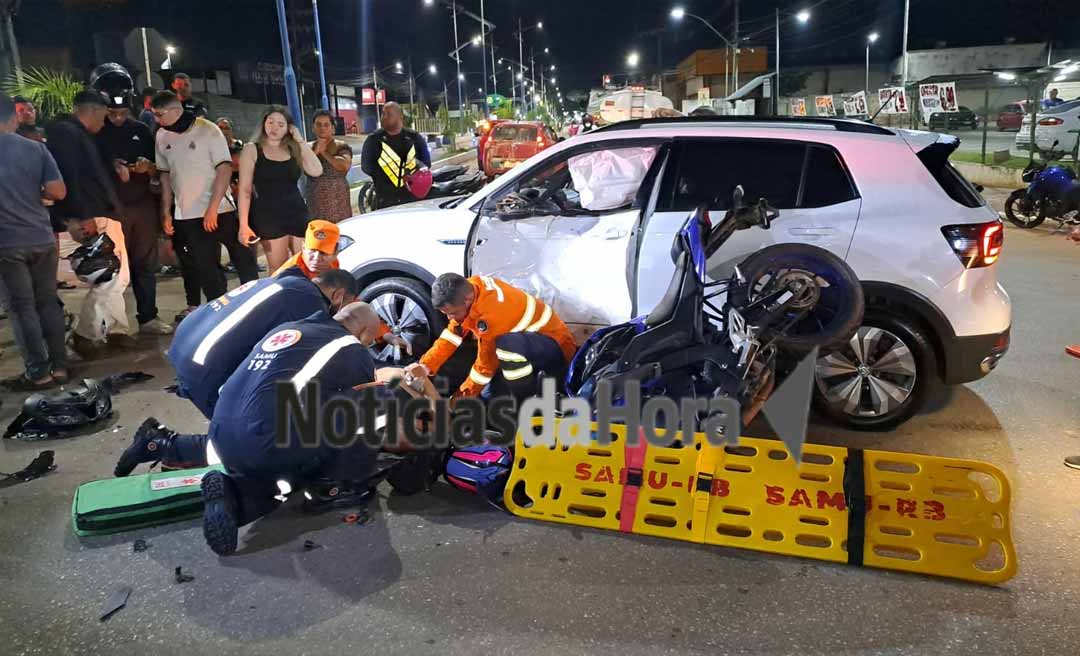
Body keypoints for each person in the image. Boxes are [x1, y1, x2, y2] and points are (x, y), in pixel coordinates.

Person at [113, 268, 362, 478]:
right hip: (205, 367)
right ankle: (163, 445)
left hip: (186, 345)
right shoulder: (310, 305)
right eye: (347, 308)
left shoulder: (288, 282)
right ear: (338, 296)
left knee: (244, 430)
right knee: (249, 442)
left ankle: (175, 451)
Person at [152, 91, 259, 322]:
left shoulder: (208, 130)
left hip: (222, 211)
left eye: (160, 114)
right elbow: (166, 176)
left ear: (175, 110)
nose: (157, 120)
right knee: (206, 268)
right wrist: (167, 213)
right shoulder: (161, 136)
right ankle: (219, 315)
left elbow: (224, 168)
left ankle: (254, 306)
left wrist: (212, 207)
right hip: (187, 215)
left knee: (243, 261)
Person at [45, 90, 132, 357]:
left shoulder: (78, 135)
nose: (105, 122)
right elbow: (70, 176)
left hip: (99, 211)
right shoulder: (66, 134)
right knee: (110, 274)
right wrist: (80, 216)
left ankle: (113, 329)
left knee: (118, 275)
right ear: (92, 111)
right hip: (91, 214)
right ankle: (88, 332)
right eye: (104, 116)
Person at [405, 273, 578, 404]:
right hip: (532, 341)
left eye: (453, 313)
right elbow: (452, 335)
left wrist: (458, 400)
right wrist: (426, 365)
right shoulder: (471, 288)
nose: (450, 318)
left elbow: (484, 366)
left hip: (556, 347)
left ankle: (526, 400)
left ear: (467, 300)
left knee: (504, 349)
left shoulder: (492, 316)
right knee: (489, 388)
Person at [94, 72, 173, 335]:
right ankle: (111, 328)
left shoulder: (140, 130)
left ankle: (148, 317)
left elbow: (158, 168)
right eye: (112, 113)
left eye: (122, 112)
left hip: (142, 207)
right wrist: (112, 167)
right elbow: (86, 170)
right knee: (112, 271)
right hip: (110, 211)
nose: (117, 117)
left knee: (145, 265)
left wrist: (147, 168)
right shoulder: (95, 133)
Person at [0, 93, 69, 389]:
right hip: (41, 238)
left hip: (6, 244)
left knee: (21, 307)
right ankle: (61, 366)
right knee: (47, 303)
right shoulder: (36, 149)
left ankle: (38, 372)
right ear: (13, 118)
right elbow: (59, 192)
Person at [270, 220, 410, 353]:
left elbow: (349, 302)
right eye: (311, 251)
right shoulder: (286, 277)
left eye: (324, 253)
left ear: (335, 253)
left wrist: (386, 335)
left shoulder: (331, 266)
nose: (317, 258)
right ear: (303, 247)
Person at [238, 105, 323, 273]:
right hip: (268, 217)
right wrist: (243, 225)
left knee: (305, 265)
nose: (274, 128)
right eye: (270, 122)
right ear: (263, 124)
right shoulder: (252, 149)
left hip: (297, 212)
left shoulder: (293, 149)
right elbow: (245, 190)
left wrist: (299, 139)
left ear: (288, 128)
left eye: (280, 124)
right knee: (279, 269)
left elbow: (316, 170)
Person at [360, 102, 431, 210]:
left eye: (389, 114)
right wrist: (383, 177)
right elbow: (366, 166)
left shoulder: (414, 138)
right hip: (385, 201)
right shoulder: (374, 140)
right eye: (383, 114)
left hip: (412, 200)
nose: (384, 117)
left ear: (400, 117)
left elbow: (426, 164)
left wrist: (413, 175)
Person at [305, 109, 354, 223]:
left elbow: (344, 165)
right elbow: (304, 168)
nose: (322, 128)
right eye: (318, 124)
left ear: (332, 128)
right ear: (313, 128)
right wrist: (316, 152)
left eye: (326, 125)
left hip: (338, 204)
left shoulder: (341, 146)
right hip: (315, 205)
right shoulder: (308, 148)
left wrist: (324, 152)